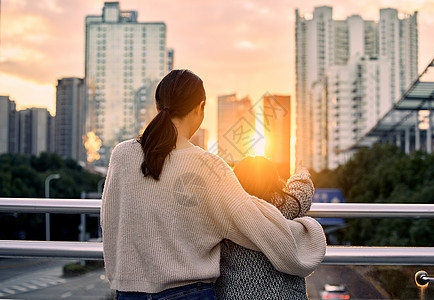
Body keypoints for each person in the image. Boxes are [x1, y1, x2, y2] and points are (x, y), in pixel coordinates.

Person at [101, 69, 326, 300]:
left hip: (129, 294)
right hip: (190, 294)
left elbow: (109, 220)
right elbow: (255, 224)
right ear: (200, 108)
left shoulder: (122, 155)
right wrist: (308, 232)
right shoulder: (210, 166)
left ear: (158, 108)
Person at [215, 156, 315, 299]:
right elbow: (301, 194)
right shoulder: (283, 206)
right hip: (282, 295)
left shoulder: (227, 210)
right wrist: (300, 173)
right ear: (273, 178)